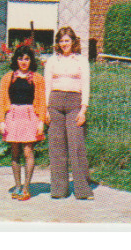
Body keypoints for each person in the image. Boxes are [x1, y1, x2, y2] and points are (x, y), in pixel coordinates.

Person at [44, 25, 92, 199]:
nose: (64, 44)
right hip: (55, 104)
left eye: (67, 40)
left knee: (76, 146)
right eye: (61, 41)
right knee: (56, 148)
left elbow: (86, 84)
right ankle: (59, 189)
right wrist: (46, 109)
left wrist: (83, 109)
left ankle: (83, 190)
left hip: (74, 104)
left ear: (73, 42)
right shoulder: (52, 61)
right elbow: (47, 85)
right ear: (58, 43)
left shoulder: (81, 60)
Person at [0, 44, 47, 200]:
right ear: (16, 60)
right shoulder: (8, 77)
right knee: (15, 153)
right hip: (12, 116)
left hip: (29, 116)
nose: (23, 62)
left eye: (27, 59)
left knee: (28, 152)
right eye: (20, 59)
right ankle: (17, 187)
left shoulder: (37, 78)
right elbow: (2, 100)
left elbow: (41, 101)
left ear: (31, 60)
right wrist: (1, 121)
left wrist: (41, 122)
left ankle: (26, 188)